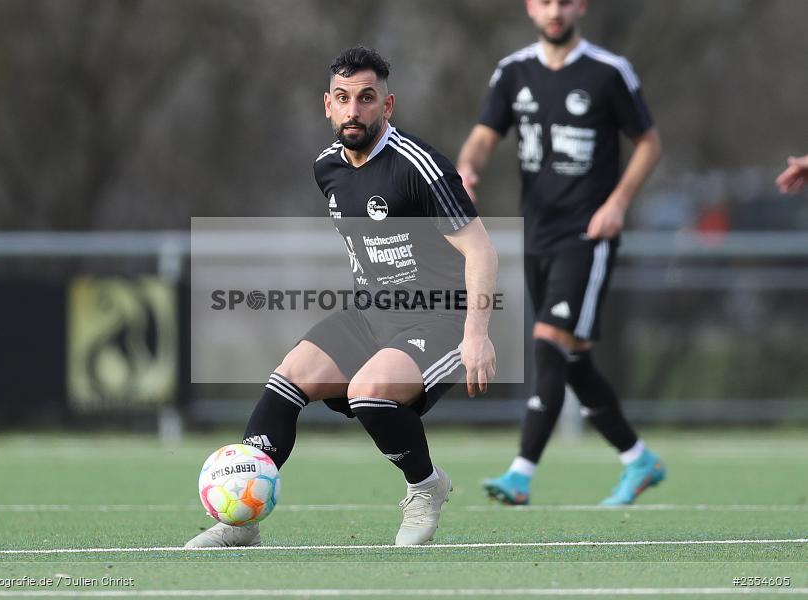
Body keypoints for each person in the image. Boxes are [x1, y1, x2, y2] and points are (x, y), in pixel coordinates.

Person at [186, 46, 498, 547]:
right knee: (287, 379)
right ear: (326, 105)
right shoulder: (326, 167)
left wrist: (477, 335)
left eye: (366, 98)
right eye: (343, 98)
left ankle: (426, 487)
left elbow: (481, 252)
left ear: (387, 106)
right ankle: (240, 522)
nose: (354, 110)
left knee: (368, 391)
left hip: (437, 320)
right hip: (369, 315)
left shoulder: (419, 166)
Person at [456, 0, 664, 506]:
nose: (555, 10)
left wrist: (617, 204)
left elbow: (649, 143)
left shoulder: (608, 72)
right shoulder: (513, 71)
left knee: (548, 341)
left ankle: (521, 473)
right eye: (545, 1)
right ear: (531, 8)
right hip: (538, 235)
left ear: (581, 7)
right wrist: (466, 169)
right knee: (574, 363)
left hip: (587, 235)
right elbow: (484, 136)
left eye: (564, 1)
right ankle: (638, 460)